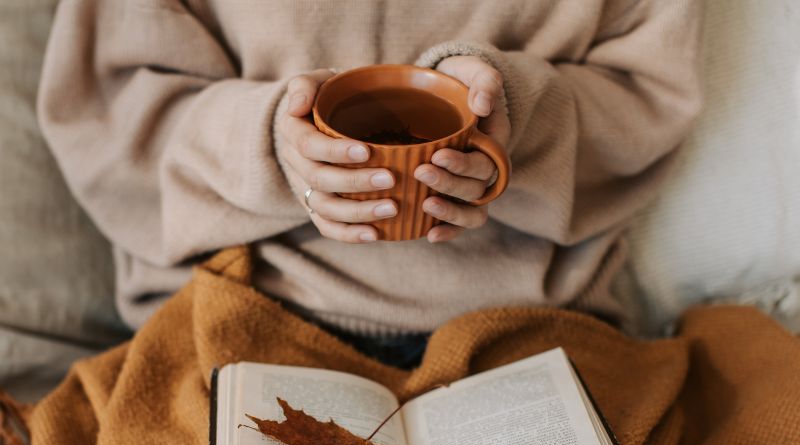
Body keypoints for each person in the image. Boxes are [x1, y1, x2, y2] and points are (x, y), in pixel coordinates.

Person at [37, 1, 702, 370]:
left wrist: (517, 120)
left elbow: (647, 96)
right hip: (246, 316)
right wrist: (271, 142)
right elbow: (109, 114)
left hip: (532, 330)